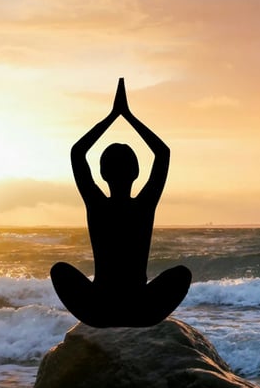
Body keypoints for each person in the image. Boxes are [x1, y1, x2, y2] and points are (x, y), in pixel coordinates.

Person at [51, 78, 191, 327]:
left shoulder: (96, 203)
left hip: (99, 311)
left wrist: (112, 116)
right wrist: (128, 116)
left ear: (102, 174)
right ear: (136, 173)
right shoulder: (144, 204)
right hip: (140, 311)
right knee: (182, 274)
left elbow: (77, 152)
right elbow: (162, 153)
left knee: (59, 270)